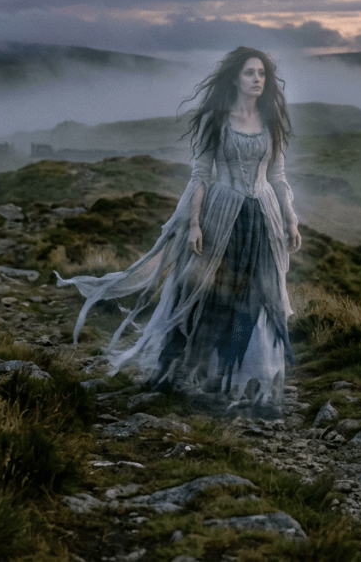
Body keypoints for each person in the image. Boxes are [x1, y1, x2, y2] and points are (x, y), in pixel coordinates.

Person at [56, 47, 301, 417]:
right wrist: (195, 223)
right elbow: (201, 175)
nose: (257, 79)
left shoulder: (271, 120)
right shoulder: (217, 120)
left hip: (262, 219)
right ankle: (178, 371)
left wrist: (290, 219)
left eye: (262, 73)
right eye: (250, 72)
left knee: (254, 302)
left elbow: (278, 176)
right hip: (222, 216)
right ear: (235, 78)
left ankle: (229, 379)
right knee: (206, 295)